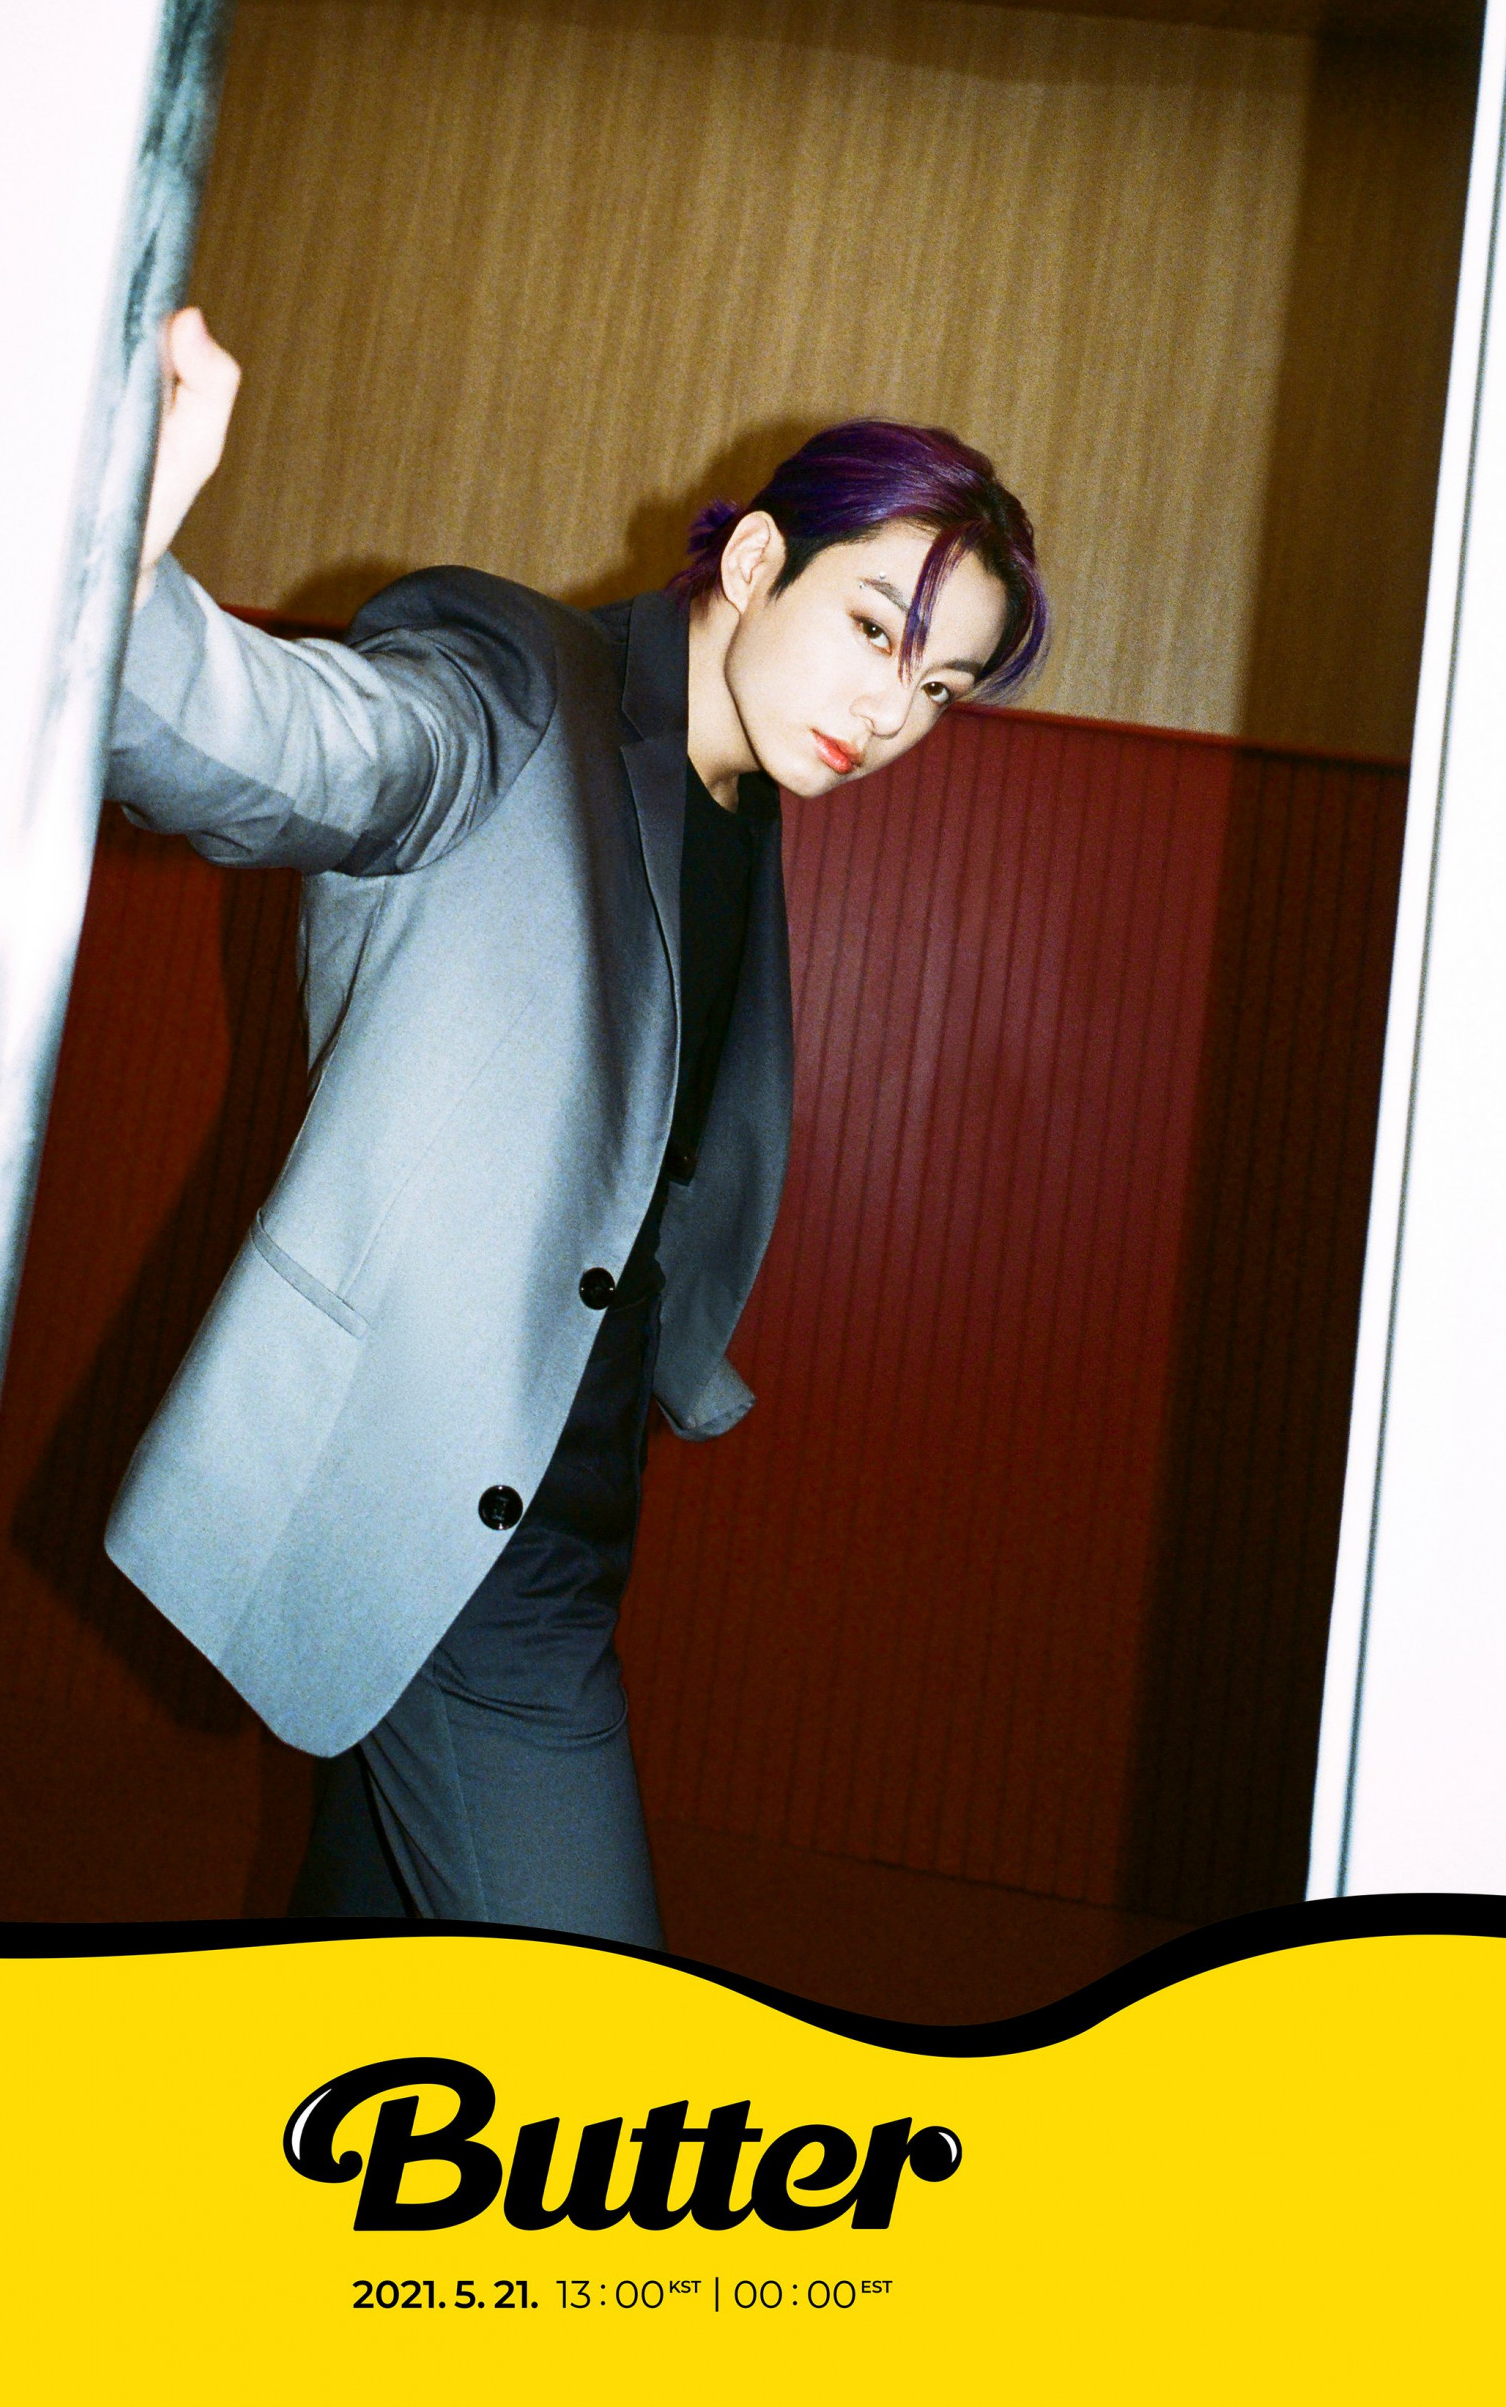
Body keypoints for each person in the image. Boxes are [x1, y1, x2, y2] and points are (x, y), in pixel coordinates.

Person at [103, 309, 1047, 1945]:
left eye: (941, 686)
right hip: (445, 1510)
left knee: (374, 1993)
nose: (892, 708)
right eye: (872, 628)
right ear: (755, 561)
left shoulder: (744, 798)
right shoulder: (520, 680)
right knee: (590, 2032)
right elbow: (316, 747)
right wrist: (105, 567)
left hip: (573, 1504)